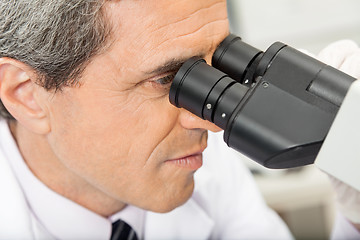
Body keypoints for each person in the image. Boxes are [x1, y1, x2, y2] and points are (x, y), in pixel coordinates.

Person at [0, 0, 358, 239]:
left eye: (217, 65)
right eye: (165, 79)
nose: (211, 124)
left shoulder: (204, 167)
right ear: (26, 95)